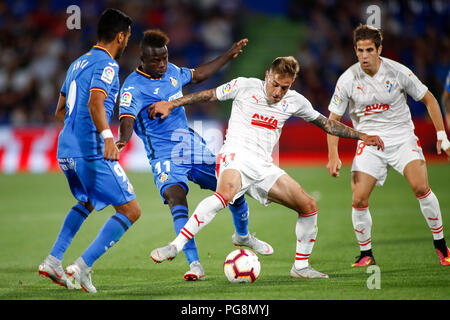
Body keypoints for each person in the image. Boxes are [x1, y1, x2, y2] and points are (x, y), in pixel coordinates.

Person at [148, 56, 384, 278]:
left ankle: (300, 266)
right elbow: (208, 95)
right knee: (225, 196)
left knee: (309, 206)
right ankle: (175, 246)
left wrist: (362, 135)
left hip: (263, 166)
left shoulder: (296, 101)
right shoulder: (244, 85)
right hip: (235, 156)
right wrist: (172, 103)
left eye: (285, 87)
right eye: (276, 85)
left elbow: (327, 124)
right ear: (267, 75)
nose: (279, 92)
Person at [116, 30, 273, 281]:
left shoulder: (172, 72)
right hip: (164, 156)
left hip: (190, 146)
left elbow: (199, 75)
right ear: (142, 59)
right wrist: (123, 140)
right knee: (176, 199)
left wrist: (229, 55)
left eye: (165, 58)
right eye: (156, 60)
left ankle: (243, 235)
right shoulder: (132, 87)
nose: (162, 64)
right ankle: (195, 265)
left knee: (232, 187)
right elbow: (126, 118)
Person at [326, 24, 450, 267]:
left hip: (402, 137)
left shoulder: (397, 71)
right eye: (359, 50)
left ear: (379, 49)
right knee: (359, 198)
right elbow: (332, 122)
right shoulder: (347, 79)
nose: (364, 55)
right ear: (355, 50)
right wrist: (333, 155)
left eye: (369, 50)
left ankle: (442, 246)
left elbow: (430, 99)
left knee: (420, 186)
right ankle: (366, 254)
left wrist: (442, 136)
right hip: (370, 142)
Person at [38, 9, 140, 293]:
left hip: (66, 150)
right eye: (128, 37)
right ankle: (82, 266)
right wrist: (107, 137)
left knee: (88, 201)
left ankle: (53, 260)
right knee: (131, 209)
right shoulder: (108, 65)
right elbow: (96, 103)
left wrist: (76, 132)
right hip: (90, 151)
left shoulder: (76, 64)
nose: (127, 43)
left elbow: (61, 110)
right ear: (120, 36)